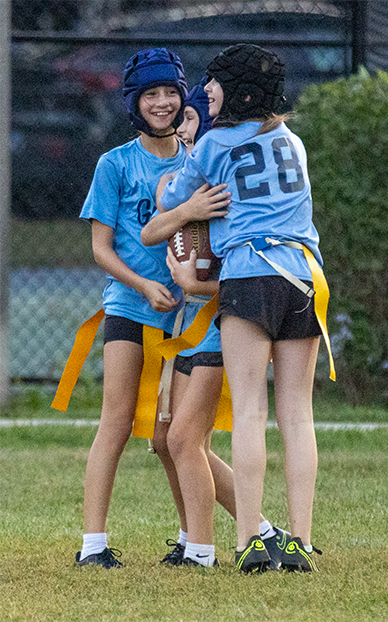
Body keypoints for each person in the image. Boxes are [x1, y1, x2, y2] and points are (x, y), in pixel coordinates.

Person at [160, 44, 332, 573]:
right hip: (303, 274)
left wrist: (178, 186)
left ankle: (251, 542)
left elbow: (173, 202)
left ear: (236, 91)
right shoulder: (293, 141)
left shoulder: (212, 144)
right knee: (298, 414)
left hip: (251, 274)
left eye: (212, 82)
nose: (203, 92)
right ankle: (300, 542)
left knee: (252, 412)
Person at [141, 80, 291, 569]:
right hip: (190, 324)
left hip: (219, 323)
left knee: (185, 439)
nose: (181, 123)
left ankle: (201, 549)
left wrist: (195, 282)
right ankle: (262, 530)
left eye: (189, 118)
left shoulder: (224, 183)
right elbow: (150, 231)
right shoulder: (187, 185)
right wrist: (186, 210)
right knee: (170, 441)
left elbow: (241, 281)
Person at [74, 48, 190, 569]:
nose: (162, 102)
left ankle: (194, 541)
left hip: (189, 318)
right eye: (151, 94)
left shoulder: (198, 160)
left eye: (169, 92)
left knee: (178, 435)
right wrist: (145, 285)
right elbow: (101, 248)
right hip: (130, 308)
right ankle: (92, 545)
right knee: (116, 421)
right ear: (134, 103)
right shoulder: (115, 163)